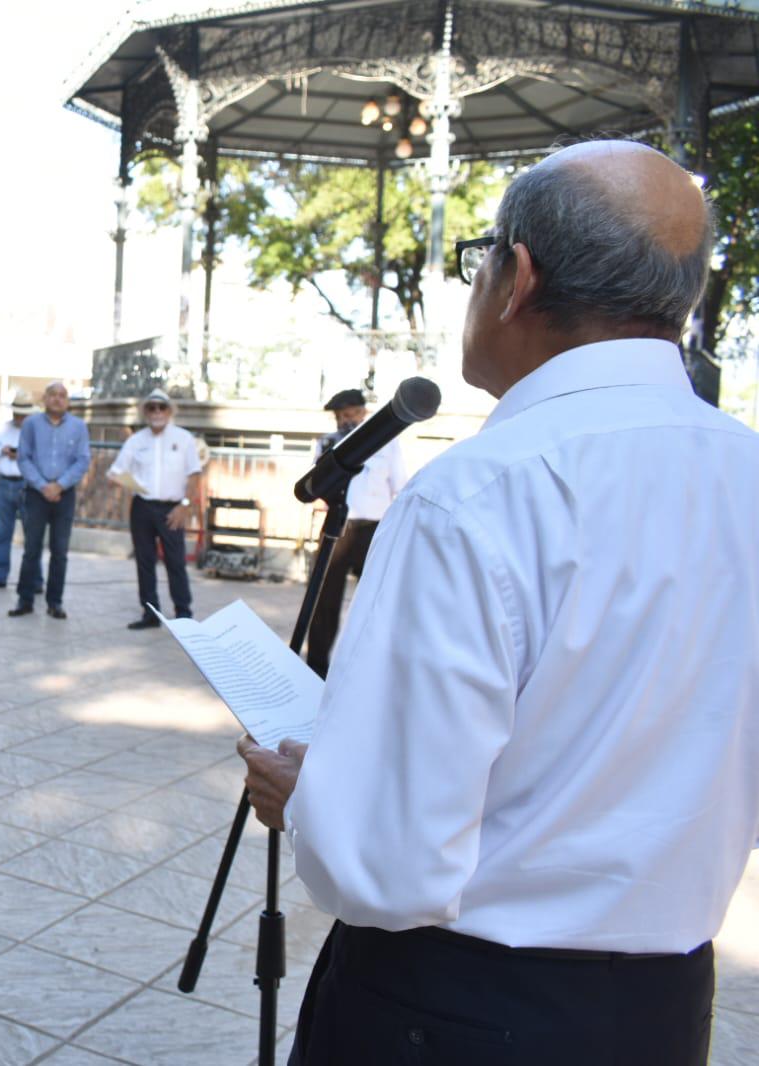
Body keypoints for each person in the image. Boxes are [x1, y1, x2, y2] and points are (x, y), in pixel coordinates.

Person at [237, 141, 758, 1066]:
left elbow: (387, 865)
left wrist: (314, 801)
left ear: (514, 276)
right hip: (660, 1010)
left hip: (454, 1007)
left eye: (479, 256)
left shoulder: (475, 494)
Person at [302, 387, 408, 677]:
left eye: (350, 414)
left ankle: (370, 670)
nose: (345, 420)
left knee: (378, 600)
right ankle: (316, 670)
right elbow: (315, 487)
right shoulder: (327, 444)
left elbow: (400, 486)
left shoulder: (387, 443)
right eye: (340, 416)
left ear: (363, 413)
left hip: (373, 529)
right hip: (338, 527)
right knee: (324, 601)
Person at [109, 389, 201, 629]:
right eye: (151, 407)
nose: (157, 412)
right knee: (144, 560)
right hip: (142, 507)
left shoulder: (184, 439)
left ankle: (183, 614)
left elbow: (194, 475)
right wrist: (125, 481)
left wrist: (185, 506)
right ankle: (150, 613)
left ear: (170, 411)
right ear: (145, 411)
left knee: (175, 561)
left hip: (173, 508)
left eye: (161, 407)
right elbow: (116, 471)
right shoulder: (136, 440)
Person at [12, 381, 90, 620]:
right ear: (44, 399)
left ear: (67, 401)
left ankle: (55, 602)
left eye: (62, 395)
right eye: (53, 395)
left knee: (60, 551)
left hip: (64, 496)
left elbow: (83, 460)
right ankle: (25, 600)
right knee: (31, 549)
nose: (57, 399)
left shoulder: (79, 427)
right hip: (37, 494)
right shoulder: (31, 425)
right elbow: (23, 458)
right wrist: (43, 485)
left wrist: (60, 485)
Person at [0, 391, 38, 590]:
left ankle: (35, 579)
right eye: (17, 413)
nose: (19, 418)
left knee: (32, 534)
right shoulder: (2, 430)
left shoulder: (36, 431)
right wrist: (3, 451)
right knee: (1, 533)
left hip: (27, 485)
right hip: (4, 483)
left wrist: (21, 455)